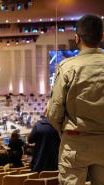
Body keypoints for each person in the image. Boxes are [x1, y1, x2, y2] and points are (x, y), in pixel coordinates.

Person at [47, 15, 104, 185]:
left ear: (77, 38)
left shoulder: (67, 67)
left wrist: (65, 132)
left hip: (75, 142)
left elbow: (54, 112)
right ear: (102, 37)